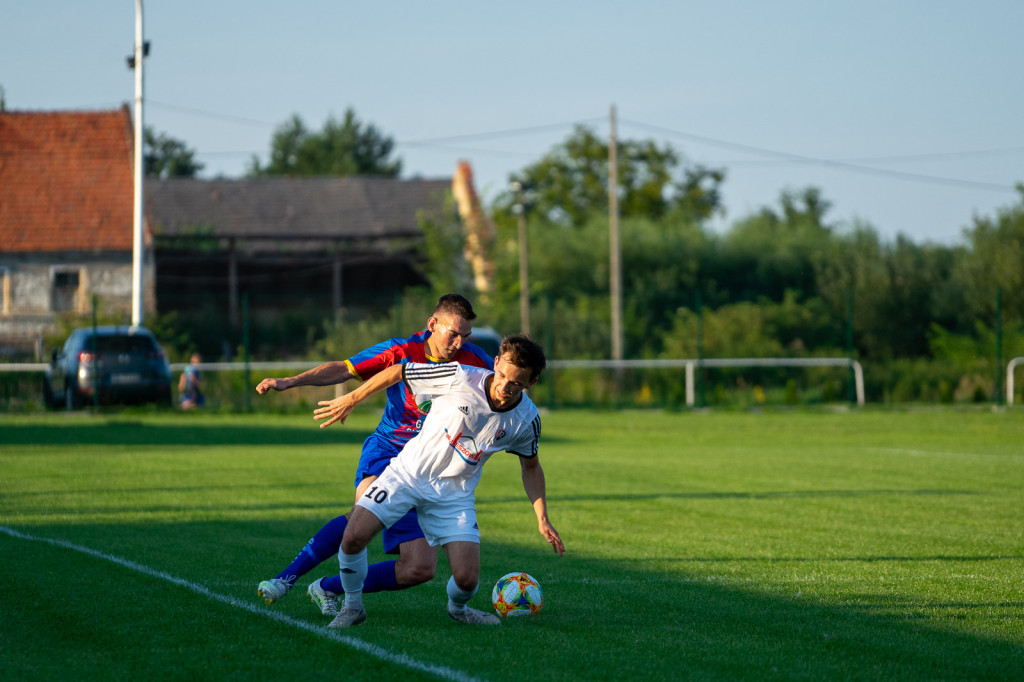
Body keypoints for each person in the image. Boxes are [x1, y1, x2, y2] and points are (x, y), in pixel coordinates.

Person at [254, 294, 493, 616]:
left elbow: (503, 391)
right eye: (453, 333)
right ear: (433, 324)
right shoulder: (401, 351)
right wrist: (290, 381)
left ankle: (327, 587)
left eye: (465, 335)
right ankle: (284, 579)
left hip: (429, 466)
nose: (458, 342)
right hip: (389, 450)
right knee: (364, 508)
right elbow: (344, 369)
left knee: (419, 569)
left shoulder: (474, 360)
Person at [314, 333, 564, 627]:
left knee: (468, 580)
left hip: (454, 495)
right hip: (406, 474)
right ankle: (353, 607)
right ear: (495, 362)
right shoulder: (459, 376)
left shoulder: (526, 420)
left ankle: (458, 609)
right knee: (354, 536)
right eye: (501, 375)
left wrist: (542, 517)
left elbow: (531, 467)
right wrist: (352, 397)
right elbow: (400, 370)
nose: (504, 387)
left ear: (531, 383)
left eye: (516, 383)